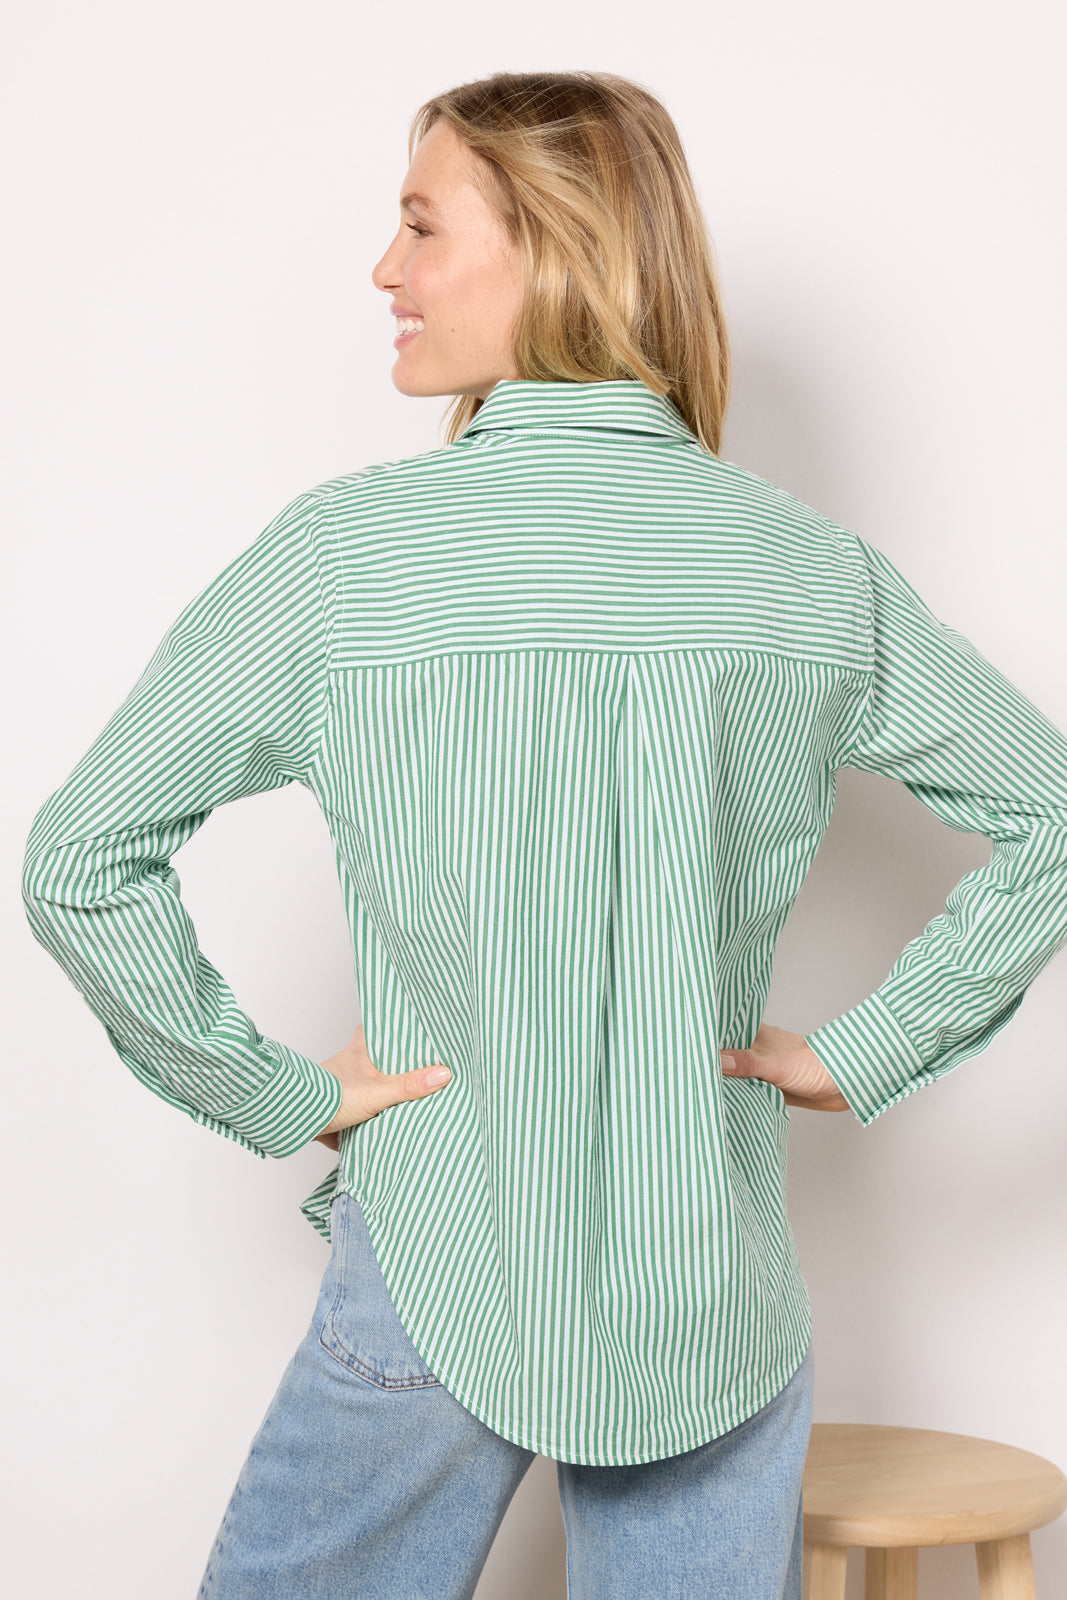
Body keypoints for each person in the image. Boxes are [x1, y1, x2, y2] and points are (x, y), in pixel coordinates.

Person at [21, 69, 1067, 1600]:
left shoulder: (345, 559)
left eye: (421, 225)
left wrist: (273, 1092)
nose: (383, 269)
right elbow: (1052, 815)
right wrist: (872, 1048)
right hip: (707, 1285)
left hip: (436, 1246)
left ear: (556, 246)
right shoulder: (802, 569)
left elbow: (80, 860)